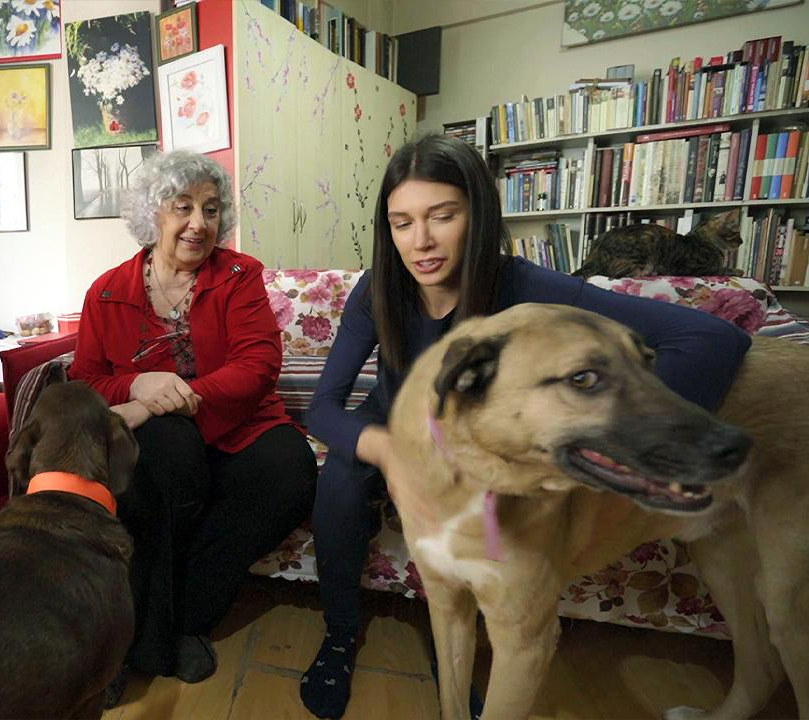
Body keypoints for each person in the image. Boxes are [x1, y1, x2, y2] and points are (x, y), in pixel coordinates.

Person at [299, 134, 751, 719]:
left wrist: (624, 441)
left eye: (442, 216)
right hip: (399, 420)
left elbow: (711, 338)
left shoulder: (525, 286)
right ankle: (340, 634)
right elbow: (323, 406)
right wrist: (389, 453)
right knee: (339, 477)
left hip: (487, 436)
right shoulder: (378, 286)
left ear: (478, 215)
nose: (421, 241)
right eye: (402, 223)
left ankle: (455, 650)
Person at [69, 151, 318, 705]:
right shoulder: (106, 291)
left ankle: (184, 621)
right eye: (182, 207)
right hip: (163, 443)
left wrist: (164, 402)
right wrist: (135, 386)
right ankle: (121, 643)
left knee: (291, 470)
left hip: (238, 422)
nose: (198, 224)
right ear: (151, 213)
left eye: (210, 209)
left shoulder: (238, 275)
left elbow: (258, 366)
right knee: (161, 462)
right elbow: (86, 380)